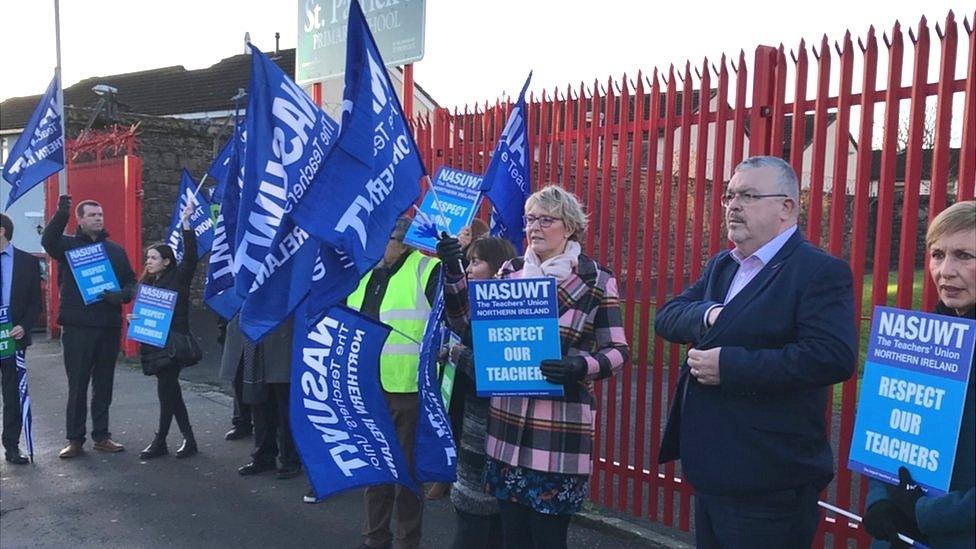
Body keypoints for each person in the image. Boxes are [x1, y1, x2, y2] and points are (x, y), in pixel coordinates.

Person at [654, 156, 857, 548]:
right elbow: (668, 316)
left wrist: (730, 365)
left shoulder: (817, 271)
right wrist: (711, 315)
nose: (733, 206)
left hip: (770, 479)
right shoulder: (724, 266)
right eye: (730, 196)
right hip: (713, 471)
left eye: (748, 195)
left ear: (786, 207)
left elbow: (831, 356)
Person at [438, 185, 630, 549]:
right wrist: (453, 269)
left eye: (546, 219)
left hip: (556, 434)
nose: (535, 227)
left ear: (570, 226)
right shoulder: (510, 273)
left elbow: (618, 350)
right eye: (529, 219)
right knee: (512, 537)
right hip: (507, 433)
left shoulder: (596, 281)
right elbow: (464, 323)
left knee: (546, 540)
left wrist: (580, 365)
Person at [863, 200, 975, 549]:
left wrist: (925, 513)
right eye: (937, 254)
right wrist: (879, 500)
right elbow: (889, 436)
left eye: (964, 256)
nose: (945, 270)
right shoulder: (917, 339)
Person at [351, 216, 440, 549]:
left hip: (406, 388)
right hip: (369, 388)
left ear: (402, 242)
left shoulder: (426, 270)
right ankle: (374, 538)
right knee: (375, 469)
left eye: (383, 239)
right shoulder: (367, 273)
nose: (375, 245)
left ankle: (407, 541)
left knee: (406, 473)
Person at [42, 194, 137, 458]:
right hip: (78, 327)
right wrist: (61, 213)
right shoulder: (68, 246)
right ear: (80, 219)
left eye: (100, 215)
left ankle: (102, 436)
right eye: (92, 215)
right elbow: (47, 241)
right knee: (78, 384)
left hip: (108, 325)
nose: (98, 219)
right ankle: (75, 439)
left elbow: (131, 282)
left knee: (104, 383)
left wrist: (122, 296)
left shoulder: (115, 251)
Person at [440, 237, 516, 549]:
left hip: (497, 424)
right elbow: (459, 318)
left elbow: (497, 368)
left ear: (497, 266)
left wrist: (458, 354)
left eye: (476, 262)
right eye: (468, 261)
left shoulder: (511, 305)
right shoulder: (474, 302)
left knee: (490, 521)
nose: (471, 269)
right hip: (470, 418)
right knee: (472, 514)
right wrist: (452, 267)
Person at [131, 207, 200, 459]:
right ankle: (188, 440)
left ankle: (160, 441)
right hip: (155, 345)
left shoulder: (178, 278)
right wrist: (135, 319)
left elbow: (191, 257)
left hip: (173, 345)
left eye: (153, 258)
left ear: (167, 261)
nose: (148, 262)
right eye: (147, 258)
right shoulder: (149, 284)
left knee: (166, 391)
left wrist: (185, 224)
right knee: (171, 393)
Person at [220, 315, 300, 479]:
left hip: (282, 330)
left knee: (285, 403)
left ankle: (290, 460)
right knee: (259, 400)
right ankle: (263, 456)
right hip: (255, 333)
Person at [0, 214, 42, 465]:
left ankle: (12, 446)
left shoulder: (26, 262)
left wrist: (24, 326)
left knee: (12, 394)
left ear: (2, 231)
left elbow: (35, 302)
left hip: (12, 338)